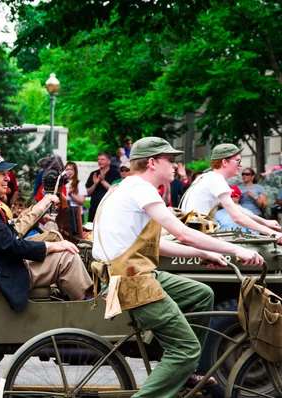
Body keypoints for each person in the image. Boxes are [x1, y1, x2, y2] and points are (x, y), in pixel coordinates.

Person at [92, 137, 263, 397]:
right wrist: (235, 249)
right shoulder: (142, 188)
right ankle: (182, 362)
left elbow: (158, 243)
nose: (175, 165)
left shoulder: (125, 187)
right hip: (131, 280)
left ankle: (185, 372)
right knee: (185, 348)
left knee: (201, 294)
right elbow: (181, 233)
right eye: (170, 160)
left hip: (127, 272)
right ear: (151, 163)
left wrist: (205, 252)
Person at [0, 150, 93, 312]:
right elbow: (12, 245)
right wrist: (52, 247)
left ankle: (73, 293)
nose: (8, 178)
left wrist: (43, 211)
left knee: (54, 236)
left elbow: (8, 234)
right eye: (1, 174)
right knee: (67, 258)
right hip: (3, 270)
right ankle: (85, 310)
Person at [180, 144, 282, 242]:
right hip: (194, 234)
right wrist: (271, 232)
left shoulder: (208, 177)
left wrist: (265, 222)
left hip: (191, 232)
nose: (241, 164)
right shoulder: (216, 179)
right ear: (225, 162)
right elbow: (237, 217)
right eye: (238, 160)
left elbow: (235, 208)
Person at [85, 151, 120, 221]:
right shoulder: (94, 174)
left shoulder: (116, 173)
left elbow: (116, 191)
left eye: (102, 159)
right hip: (94, 209)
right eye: (98, 159)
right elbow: (87, 193)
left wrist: (103, 181)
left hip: (109, 210)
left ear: (109, 161)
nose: (100, 161)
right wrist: (95, 184)